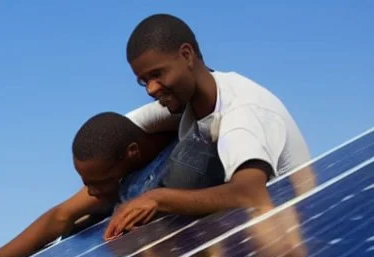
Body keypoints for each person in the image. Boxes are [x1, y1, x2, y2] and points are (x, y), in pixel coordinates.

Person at [104, 13, 311, 238]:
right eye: (143, 81)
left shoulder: (240, 111)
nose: (151, 89)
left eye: (157, 74)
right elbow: (114, 132)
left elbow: (252, 195)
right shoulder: (191, 100)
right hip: (255, 229)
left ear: (186, 55)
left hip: (292, 231)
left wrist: (157, 199)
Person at [0, 112, 176, 257]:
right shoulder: (114, 179)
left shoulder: (182, 154)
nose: (92, 192)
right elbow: (60, 216)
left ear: (132, 153)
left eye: (100, 182)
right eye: (87, 183)